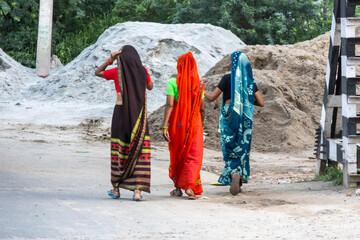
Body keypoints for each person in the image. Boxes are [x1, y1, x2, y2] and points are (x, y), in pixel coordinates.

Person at [95, 45, 153, 201]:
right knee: (139, 150)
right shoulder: (143, 72)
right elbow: (150, 86)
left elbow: (97, 72)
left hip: (121, 115)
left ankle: (116, 189)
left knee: (120, 149)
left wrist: (110, 60)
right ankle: (137, 192)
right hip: (138, 117)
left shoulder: (116, 73)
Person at [204, 51, 264, 195]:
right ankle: (240, 175)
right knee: (242, 146)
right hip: (245, 118)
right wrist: (245, 101)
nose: (229, 63)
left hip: (230, 115)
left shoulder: (227, 78)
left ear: (234, 63)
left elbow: (212, 98)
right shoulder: (250, 82)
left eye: (231, 60)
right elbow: (261, 103)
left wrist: (201, 89)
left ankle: (233, 173)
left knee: (229, 145)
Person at [162, 52, 205, 200]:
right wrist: (201, 123)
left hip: (178, 124)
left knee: (178, 153)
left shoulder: (173, 83)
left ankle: (178, 188)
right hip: (195, 124)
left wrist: (164, 126)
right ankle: (190, 187)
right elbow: (202, 108)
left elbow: (169, 104)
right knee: (193, 155)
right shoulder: (199, 84)